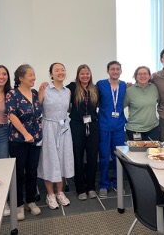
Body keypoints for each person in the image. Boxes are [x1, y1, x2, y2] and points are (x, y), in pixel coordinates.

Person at [5, 64, 43, 220]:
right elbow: (11, 115)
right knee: (19, 172)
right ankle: (19, 204)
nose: (33, 77)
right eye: (30, 75)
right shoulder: (12, 94)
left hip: (35, 139)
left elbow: (37, 111)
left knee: (32, 171)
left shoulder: (34, 93)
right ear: (21, 78)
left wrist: (42, 92)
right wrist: (26, 134)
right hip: (18, 139)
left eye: (34, 74)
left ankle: (31, 201)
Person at [38, 62, 74, 209]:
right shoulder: (44, 89)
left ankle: (60, 192)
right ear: (51, 74)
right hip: (49, 127)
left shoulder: (68, 91)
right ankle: (50, 195)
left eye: (63, 69)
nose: (60, 72)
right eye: (56, 70)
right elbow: (37, 109)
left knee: (63, 159)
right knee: (49, 159)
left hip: (64, 128)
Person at [66, 64, 99, 201]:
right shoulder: (72, 88)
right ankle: (80, 188)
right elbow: (59, 92)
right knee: (78, 156)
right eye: (82, 74)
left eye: (87, 73)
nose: (85, 76)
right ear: (78, 75)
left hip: (93, 125)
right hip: (77, 125)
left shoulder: (95, 89)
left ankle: (91, 187)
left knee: (92, 157)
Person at [96, 61, 127, 198]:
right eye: (112, 69)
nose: (115, 71)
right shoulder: (100, 84)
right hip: (104, 125)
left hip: (119, 126)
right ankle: (103, 184)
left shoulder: (125, 85)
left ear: (121, 71)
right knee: (103, 156)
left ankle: (118, 183)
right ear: (107, 71)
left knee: (118, 156)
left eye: (117, 69)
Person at [124, 66, 159, 141]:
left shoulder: (155, 88)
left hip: (153, 128)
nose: (142, 76)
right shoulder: (129, 90)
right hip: (134, 129)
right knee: (137, 152)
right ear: (135, 76)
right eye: (139, 74)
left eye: (145, 74)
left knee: (153, 152)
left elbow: (162, 102)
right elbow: (120, 107)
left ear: (149, 76)